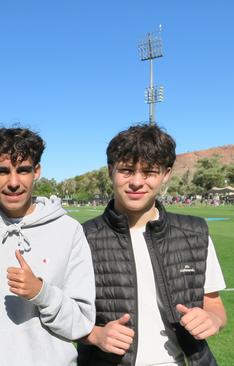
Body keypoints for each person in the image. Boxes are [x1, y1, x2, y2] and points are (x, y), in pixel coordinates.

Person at [78, 124, 228, 365]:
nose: (137, 182)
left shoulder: (195, 233)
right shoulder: (82, 237)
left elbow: (215, 306)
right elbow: (64, 314)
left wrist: (212, 319)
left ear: (166, 174)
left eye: (149, 172)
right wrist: (94, 335)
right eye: (126, 170)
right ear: (110, 171)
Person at [0, 127, 96, 365]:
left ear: (36, 171)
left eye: (24, 170)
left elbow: (81, 323)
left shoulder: (69, 230)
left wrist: (41, 293)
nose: (14, 182)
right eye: (3, 171)